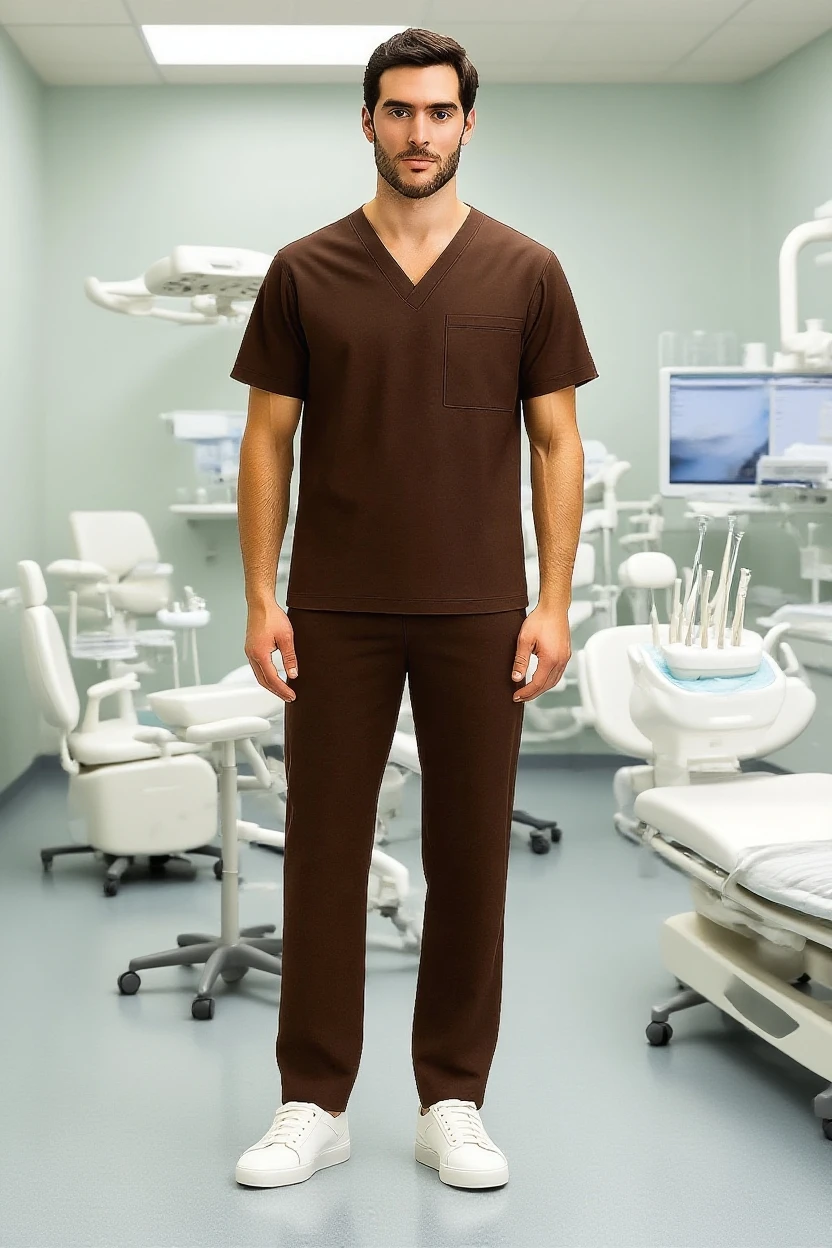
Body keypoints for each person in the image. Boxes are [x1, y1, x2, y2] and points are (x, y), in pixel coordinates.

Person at [229, 27, 597, 1192]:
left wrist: (551, 602)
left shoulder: (526, 270)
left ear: (468, 123)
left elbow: (556, 443)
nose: (419, 131)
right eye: (398, 111)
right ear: (367, 120)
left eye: (439, 112)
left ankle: (452, 1097)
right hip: (334, 608)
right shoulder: (306, 268)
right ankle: (312, 1101)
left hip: (479, 611)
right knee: (324, 858)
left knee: (468, 855)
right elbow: (267, 441)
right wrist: (258, 598)